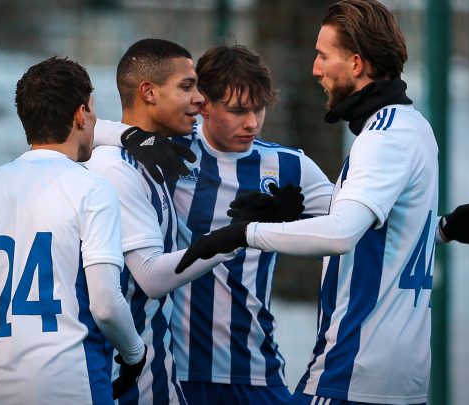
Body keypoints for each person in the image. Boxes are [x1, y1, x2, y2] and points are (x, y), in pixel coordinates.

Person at [175, 1, 469, 404]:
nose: (315, 68)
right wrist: (441, 229)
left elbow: (340, 232)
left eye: (323, 56)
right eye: (236, 110)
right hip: (396, 376)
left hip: (353, 369)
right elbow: (383, 233)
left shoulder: (380, 136)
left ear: (355, 64)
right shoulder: (413, 127)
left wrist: (246, 233)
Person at [96, 44, 335, 404]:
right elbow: (85, 131)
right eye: (238, 110)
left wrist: (439, 229)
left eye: (259, 109)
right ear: (203, 104)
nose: (251, 122)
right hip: (179, 373)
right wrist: (127, 136)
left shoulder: (289, 168)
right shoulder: (169, 154)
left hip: (254, 369)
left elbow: (358, 218)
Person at [0, 56, 146, 405]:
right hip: (75, 384)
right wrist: (135, 354)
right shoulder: (92, 189)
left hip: (0, 386)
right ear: (80, 114)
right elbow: (106, 305)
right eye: (92, 112)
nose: (94, 121)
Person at [86, 38, 251, 405]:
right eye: (187, 87)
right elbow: (150, 277)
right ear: (148, 92)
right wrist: (234, 238)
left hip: (159, 373)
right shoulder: (115, 168)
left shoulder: (156, 157)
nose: (200, 100)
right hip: (122, 380)